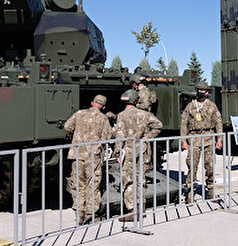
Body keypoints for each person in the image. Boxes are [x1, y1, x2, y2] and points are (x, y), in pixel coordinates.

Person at [63, 95, 114, 225]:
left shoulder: (79, 113)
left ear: (92, 103)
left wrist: (73, 137)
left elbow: (67, 126)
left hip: (77, 154)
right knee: (93, 184)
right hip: (93, 156)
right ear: (103, 107)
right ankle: (90, 213)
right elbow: (108, 137)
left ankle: (79, 212)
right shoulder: (103, 118)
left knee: (78, 183)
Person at [115, 89, 163, 222]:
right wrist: (147, 137)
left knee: (128, 180)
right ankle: (141, 208)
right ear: (136, 100)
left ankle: (132, 210)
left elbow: (119, 136)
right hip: (142, 149)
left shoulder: (122, 115)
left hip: (128, 151)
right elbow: (159, 125)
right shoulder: (144, 114)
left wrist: (117, 153)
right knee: (140, 179)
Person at [181, 83, 223, 202]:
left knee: (210, 166)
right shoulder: (190, 106)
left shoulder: (212, 106)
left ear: (207, 92)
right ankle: (190, 192)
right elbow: (184, 124)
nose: (201, 92)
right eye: (199, 90)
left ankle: (210, 191)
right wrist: (183, 140)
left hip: (208, 137)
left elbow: (218, 122)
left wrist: (219, 139)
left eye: (203, 90)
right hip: (194, 138)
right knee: (192, 165)